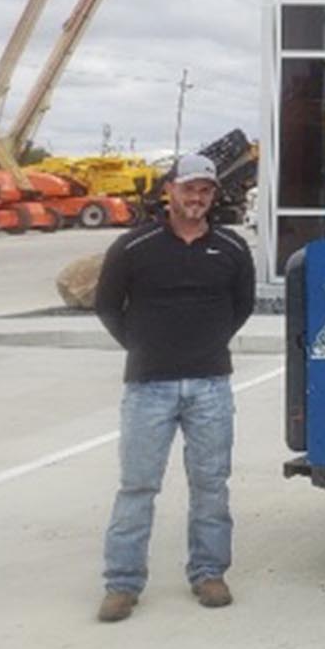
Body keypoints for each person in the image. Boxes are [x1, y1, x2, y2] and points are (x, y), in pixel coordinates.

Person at [93, 154, 256, 621]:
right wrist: (143, 347)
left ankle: (209, 573)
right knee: (137, 486)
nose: (197, 198)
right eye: (189, 188)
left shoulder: (230, 247)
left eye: (205, 190)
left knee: (211, 485)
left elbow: (241, 306)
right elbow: (107, 306)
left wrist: (205, 344)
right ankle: (122, 584)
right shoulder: (133, 246)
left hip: (211, 385)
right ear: (170, 190)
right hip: (149, 387)